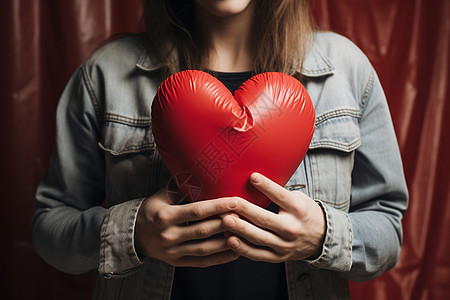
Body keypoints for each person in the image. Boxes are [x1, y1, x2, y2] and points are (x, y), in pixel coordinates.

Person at [32, 0, 409, 299]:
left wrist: (324, 235)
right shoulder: (106, 73)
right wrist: (133, 233)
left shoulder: (346, 70)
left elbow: (388, 230)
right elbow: (49, 228)